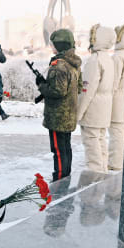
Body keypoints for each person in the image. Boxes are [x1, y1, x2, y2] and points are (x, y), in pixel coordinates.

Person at [37, 29, 83, 182]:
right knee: (66, 148)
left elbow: (57, 91)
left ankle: (59, 178)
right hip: (69, 114)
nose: (52, 47)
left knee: (58, 149)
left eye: (53, 44)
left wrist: (42, 86)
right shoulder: (74, 64)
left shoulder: (59, 65)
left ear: (59, 45)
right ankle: (66, 175)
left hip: (57, 116)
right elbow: (79, 86)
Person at [77, 24, 116, 173]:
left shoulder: (95, 60)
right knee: (100, 142)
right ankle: (103, 171)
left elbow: (87, 90)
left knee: (91, 144)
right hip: (104, 108)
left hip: (93, 109)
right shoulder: (109, 59)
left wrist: (79, 113)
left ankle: (95, 174)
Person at [108, 22, 124, 171]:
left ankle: (115, 164)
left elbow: (113, 82)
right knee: (123, 132)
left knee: (116, 132)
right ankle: (122, 162)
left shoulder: (118, 57)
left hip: (117, 100)